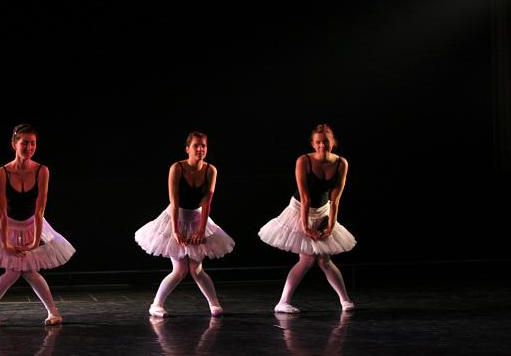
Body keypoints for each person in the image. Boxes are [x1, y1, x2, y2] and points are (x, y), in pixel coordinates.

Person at [0, 124, 75, 326]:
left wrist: (35, 240)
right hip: (9, 226)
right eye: (24, 143)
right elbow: (2, 213)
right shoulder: (2, 173)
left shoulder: (42, 171)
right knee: (18, 270)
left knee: (25, 270)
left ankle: (51, 312)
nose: (29, 147)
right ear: (14, 144)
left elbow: (40, 210)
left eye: (33, 143)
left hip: (33, 225)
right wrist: (5, 242)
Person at [135, 131, 234, 318]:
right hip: (175, 217)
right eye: (196, 145)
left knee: (196, 270)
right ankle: (156, 305)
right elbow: (174, 201)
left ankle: (214, 304)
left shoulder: (210, 170)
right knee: (180, 270)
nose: (200, 149)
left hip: (197, 218)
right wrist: (175, 230)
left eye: (203, 146)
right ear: (187, 149)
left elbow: (206, 203)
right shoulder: (177, 168)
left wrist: (201, 230)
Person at [258, 123, 356, 313]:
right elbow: (305, 197)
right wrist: (305, 226)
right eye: (318, 142)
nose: (322, 145)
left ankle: (345, 301)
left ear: (333, 142)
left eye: (326, 141)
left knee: (323, 260)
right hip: (299, 211)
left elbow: (335, 199)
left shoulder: (341, 163)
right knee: (309, 259)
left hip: (323, 211)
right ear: (313, 143)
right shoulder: (304, 161)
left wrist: (331, 225)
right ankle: (283, 302)